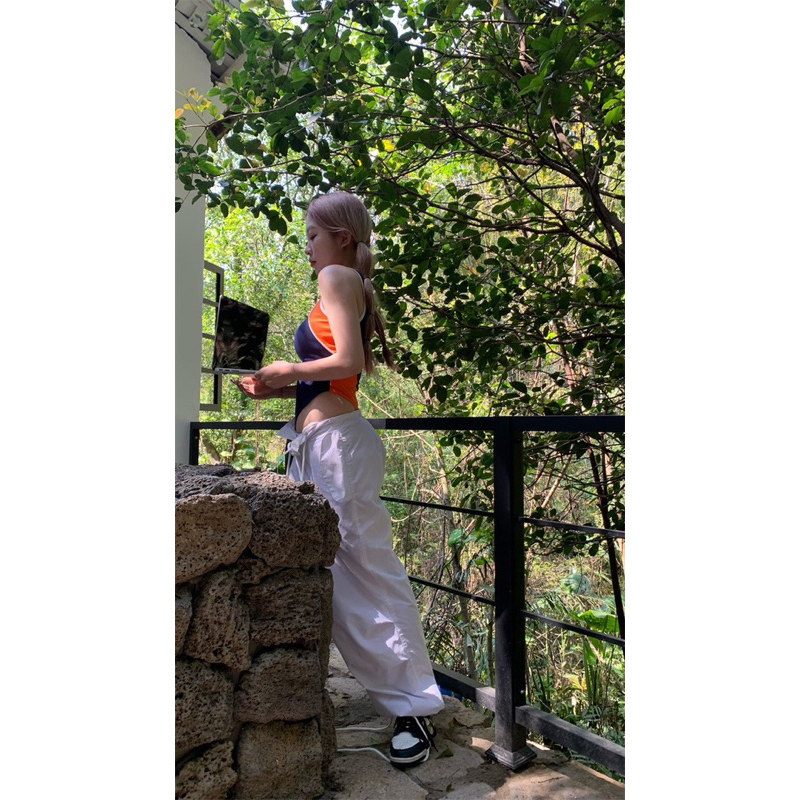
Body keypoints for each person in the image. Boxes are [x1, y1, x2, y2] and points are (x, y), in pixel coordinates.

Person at [236, 191, 444, 766]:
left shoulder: (335, 275)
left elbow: (348, 361)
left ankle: (414, 710)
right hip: (322, 443)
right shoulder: (343, 280)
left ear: (342, 238)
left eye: (312, 234)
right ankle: (403, 700)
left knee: (369, 573)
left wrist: (291, 367)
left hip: (337, 448)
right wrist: (280, 385)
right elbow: (333, 375)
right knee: (349, 574)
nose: (307, 246)